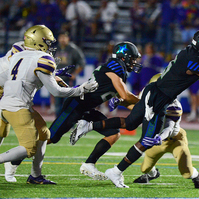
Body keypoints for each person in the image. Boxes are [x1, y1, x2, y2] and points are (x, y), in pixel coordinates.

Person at [71, 28, 199, 188]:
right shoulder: (193, 61)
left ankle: (88, 126)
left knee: (129, 123)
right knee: (147, 140)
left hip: (154, 91)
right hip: (159, 99)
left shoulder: (193, 54)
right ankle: (116, 170)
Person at [0, 25, 98, 183]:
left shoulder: (18, 53)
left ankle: (35, 176)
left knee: (44, 133)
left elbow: (27, 76)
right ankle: (9, 165)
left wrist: (52, 75)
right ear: (38, 42)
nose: (51, 46)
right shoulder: (42, 59)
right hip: (16, 106)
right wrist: (80, 90)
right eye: (47, 42)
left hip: (12, 100)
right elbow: (56, 92)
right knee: (28, 148)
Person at [47, 41, 141, 182]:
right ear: (123, 57)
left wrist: (145, 110)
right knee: (50, 137)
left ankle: (89, 164)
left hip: (87, 108)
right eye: (133, 58)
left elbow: (125, 102)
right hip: (76, 105)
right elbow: (125, 95)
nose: (134, 62)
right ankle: (17, 158)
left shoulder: (118, 70)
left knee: (113, 133)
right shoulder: (114, 66)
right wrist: (146, 102)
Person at [132, 73, 199, 189]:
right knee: (144, 169)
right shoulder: (148, 94)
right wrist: (121, 101)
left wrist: (159, 138)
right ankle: (154, 174)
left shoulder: (173, 106)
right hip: (157, 139)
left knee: (186, 171)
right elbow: (137, 103)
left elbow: (169, 128)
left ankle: (196, 176)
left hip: (174, 139)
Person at [49, 31, 86, 117]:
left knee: (68, 102)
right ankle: (58, 123)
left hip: (68, 79)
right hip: (56, 79)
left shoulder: (73, 49)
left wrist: (74, 74)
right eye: (61, 37)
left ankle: (68, 122)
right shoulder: (55, 49)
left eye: (64, 37)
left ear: (68, 38)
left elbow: (82, 63)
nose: (63, 39)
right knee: (57, 102)